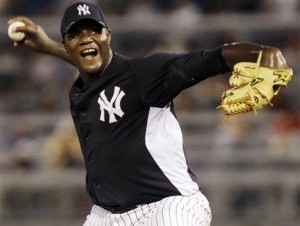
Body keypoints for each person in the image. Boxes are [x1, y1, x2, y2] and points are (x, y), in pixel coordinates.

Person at [8, 2, 290, 226]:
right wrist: (46, 46)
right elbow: (87, 60)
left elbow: (208, 59)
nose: (87, 39)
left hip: (167, 207)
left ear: (108, 35)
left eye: (94, 30)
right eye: (76, 34)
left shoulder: (143, 74)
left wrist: (263, 53)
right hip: (106, 216)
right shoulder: (82, 88)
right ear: (67, 42)